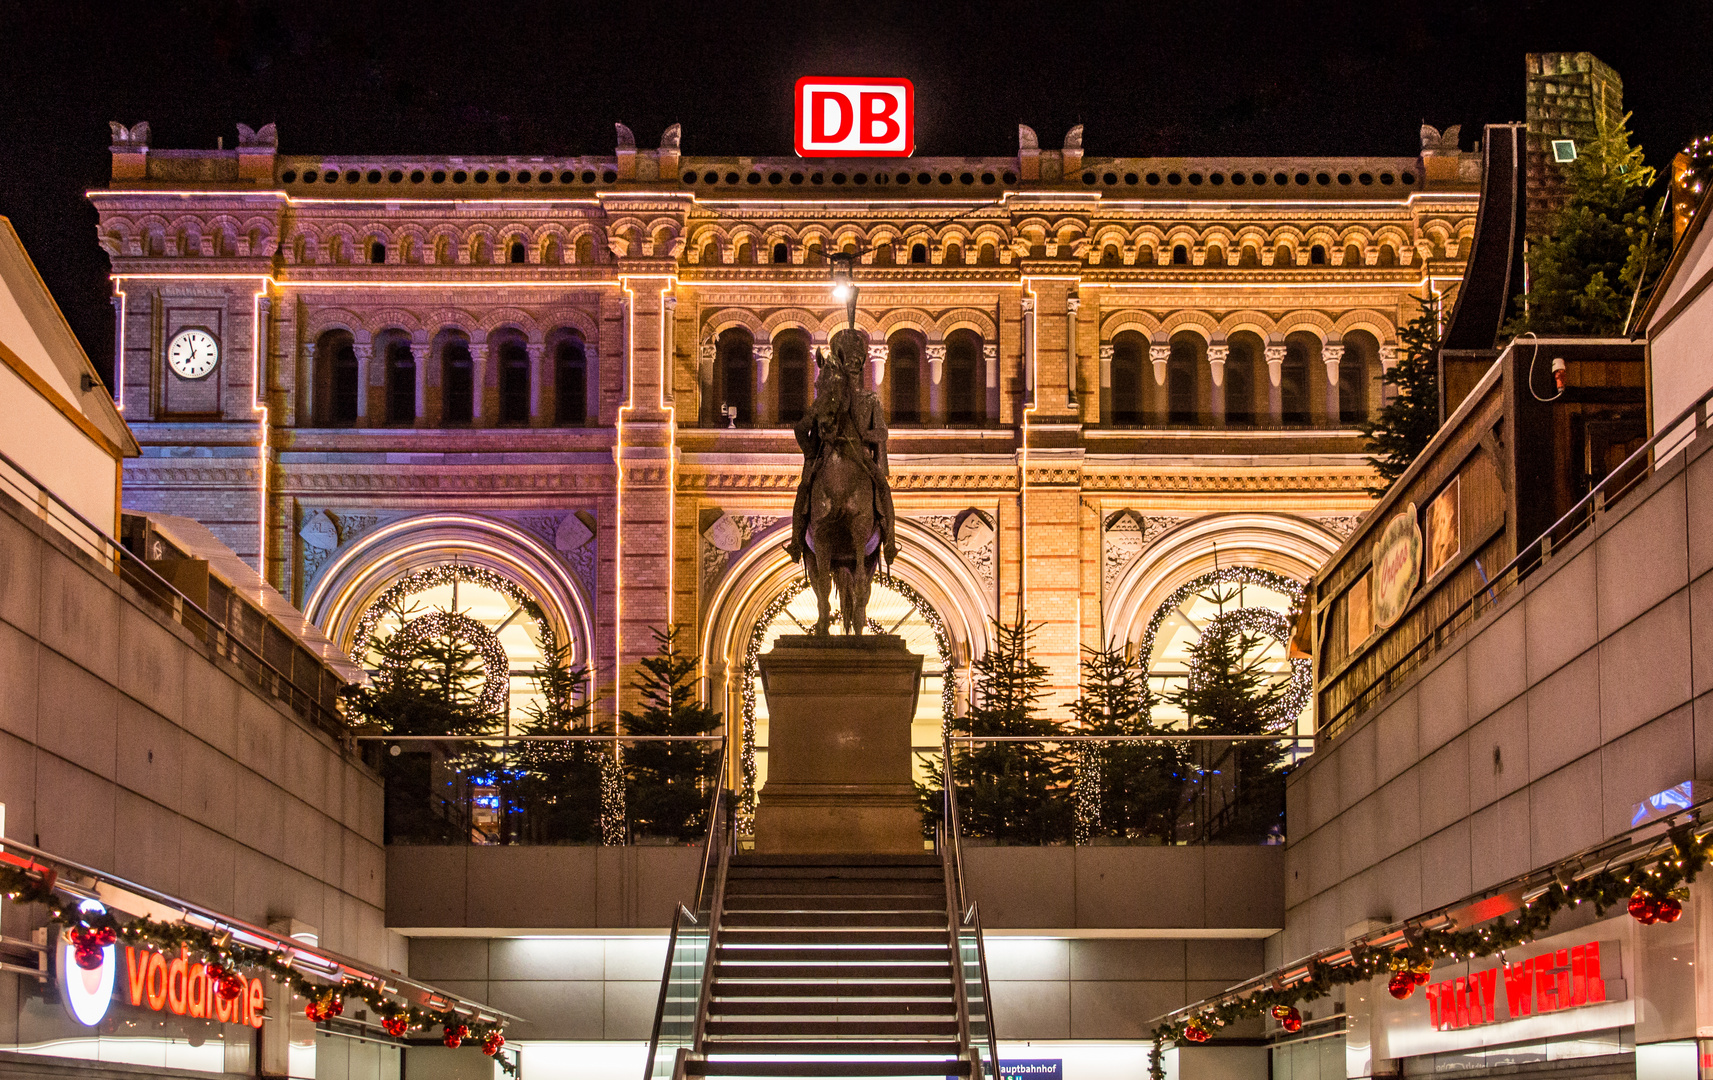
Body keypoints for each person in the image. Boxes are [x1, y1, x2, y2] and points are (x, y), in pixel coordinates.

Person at [786, 329, 897, 566]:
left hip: (862, 456)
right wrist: (809, 455)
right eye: (850, 358)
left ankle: (890, 542)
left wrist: (864, 436)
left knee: (882, 486)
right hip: (825, 455)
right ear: (841, 362)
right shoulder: (826, 399)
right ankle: (796, 541)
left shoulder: (871, 399)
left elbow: (883, 432)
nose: (855, 362)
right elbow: (800, 428)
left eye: (859, 359)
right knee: (804, 488)